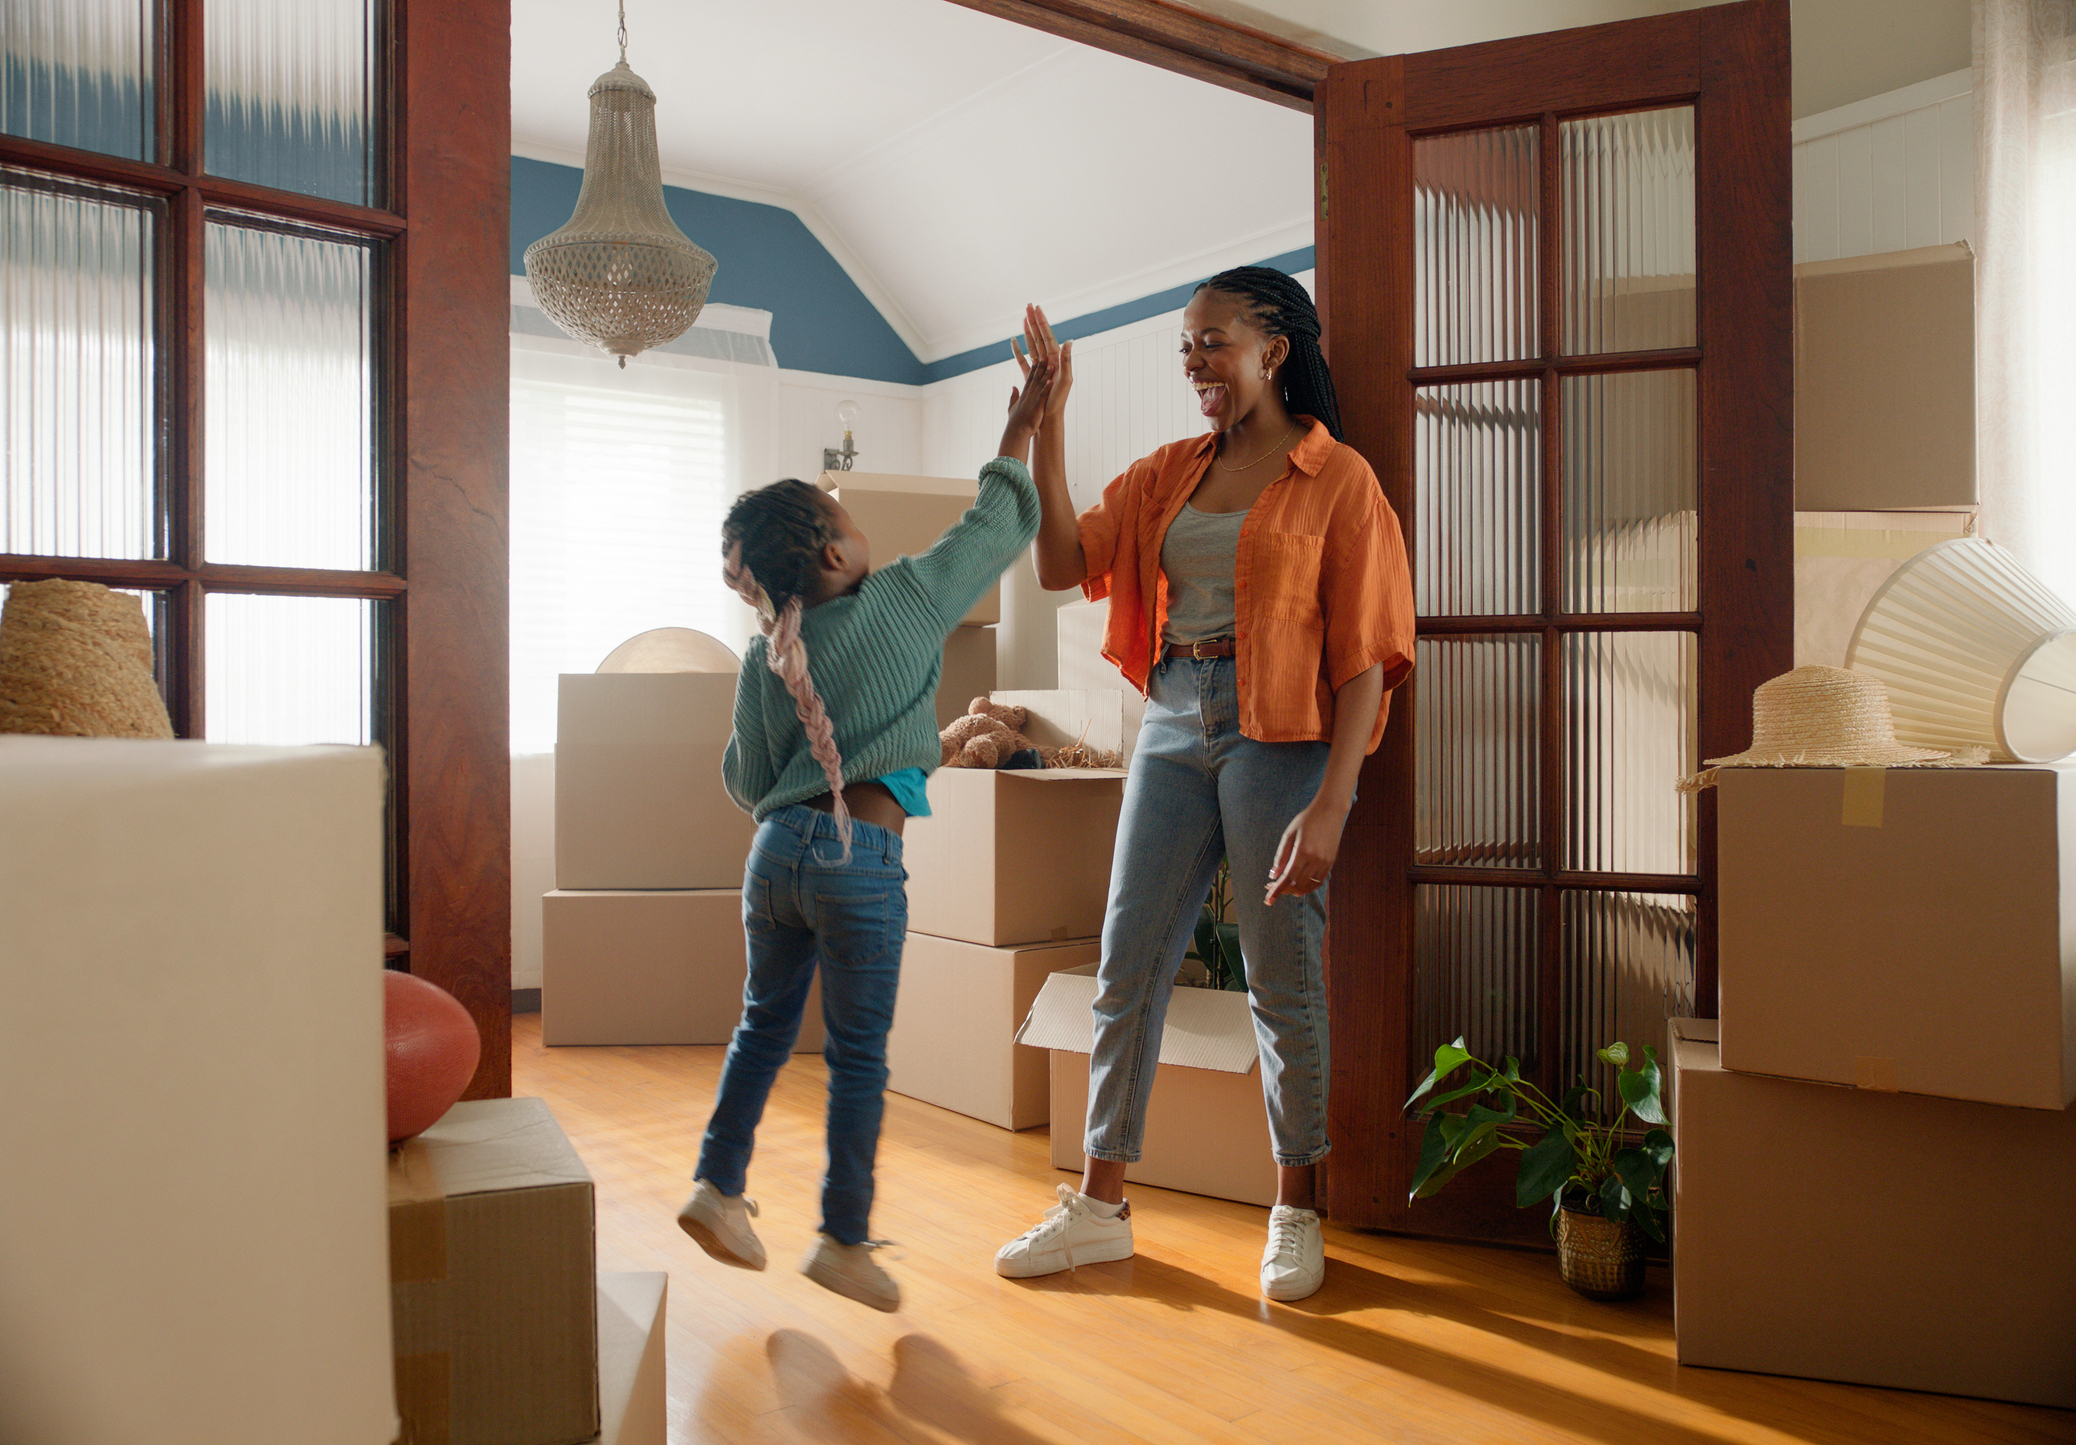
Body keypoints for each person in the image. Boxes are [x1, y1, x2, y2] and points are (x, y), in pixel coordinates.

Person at [993, 268, 1414, 1303]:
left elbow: (1367, 655)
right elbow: (1056, 561)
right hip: (1174, 721)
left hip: (1282, 738)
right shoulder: (1166, 473)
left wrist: (1333, 802)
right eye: (1186, 348)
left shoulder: (1338, 477)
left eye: (1211, 342)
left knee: (1282, 976)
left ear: (1272, 350)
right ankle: (1099, 1208)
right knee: (1128, 961)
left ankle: (1296, 1209)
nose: (1195, 364)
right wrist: (1048, 424)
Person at [677, 358, 1054, 1312]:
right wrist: (1023, 425)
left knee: (762, 1026)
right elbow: (1001, 521)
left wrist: (777, 652)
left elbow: (748, 779)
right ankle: (843, 1239)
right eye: (844, 515)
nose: (858, 524)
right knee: (857, 1058)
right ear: (836, 554)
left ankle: (717, 1187)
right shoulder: (909, 599)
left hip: (775, 861)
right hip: (862, 864)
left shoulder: (771, 655)